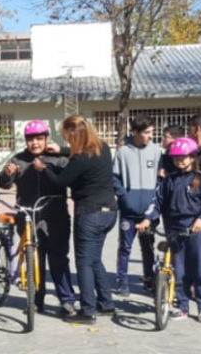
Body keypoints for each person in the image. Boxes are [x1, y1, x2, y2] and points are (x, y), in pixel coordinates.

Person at [36, 115, 117, 324]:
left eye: (67, 138)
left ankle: (88, 310)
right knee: (95, 259)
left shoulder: (79, 159)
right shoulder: (103, 147)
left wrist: (44, 168)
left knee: (84, 263)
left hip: (90, 214)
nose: (67, 142)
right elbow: (78, 153)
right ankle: (106, 303)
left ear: (74, 135)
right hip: (109, 212)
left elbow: (61, 181)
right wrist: (61, 150)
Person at [0, 120, 78, 317]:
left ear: (46, 139)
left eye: (39, 139)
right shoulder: (18, 160)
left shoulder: (58, 158)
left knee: (59, 259)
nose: (35, 143)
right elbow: (3, 183)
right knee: (34, 260)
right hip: (27, 216)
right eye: (31, 139)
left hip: (55, 216)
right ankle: (36, 300)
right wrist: (7, 175)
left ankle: (67, 300)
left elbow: (73, 174)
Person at [157, 137, 201, 323]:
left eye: (183, 157)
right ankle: (182, 306)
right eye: (175, 158)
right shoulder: (168, 181)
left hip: (196, 230)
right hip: (175, 230)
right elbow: (156, 202)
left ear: (192, 157)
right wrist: (147, 219)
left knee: (199, 269)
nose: (179, 161)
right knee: (178, 270)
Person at [113, 116, 162, 297]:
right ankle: (122, 281)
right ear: (136, 132)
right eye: (147, 132)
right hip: (128, 211)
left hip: (149, 212)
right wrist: (125, 198)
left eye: (152, 132)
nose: (151, 136)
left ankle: (149, 280)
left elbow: (160, 179)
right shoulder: (122, 152)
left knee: (148, 247)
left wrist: (155, 201)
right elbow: (115, 178)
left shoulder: (156, 151)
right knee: (125, 247)